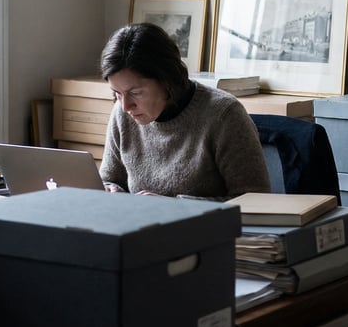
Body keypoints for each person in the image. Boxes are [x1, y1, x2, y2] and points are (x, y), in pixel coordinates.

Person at [98, 22, 271, 199]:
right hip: (139, 225)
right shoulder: (122, 113)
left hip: (206, 227)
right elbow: (110, 179)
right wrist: (110, 188)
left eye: (135, 93)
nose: (126, 106)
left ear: (167, 79)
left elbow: (255, 201)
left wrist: (175, 208)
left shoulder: (224, 115)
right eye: (117, 93)